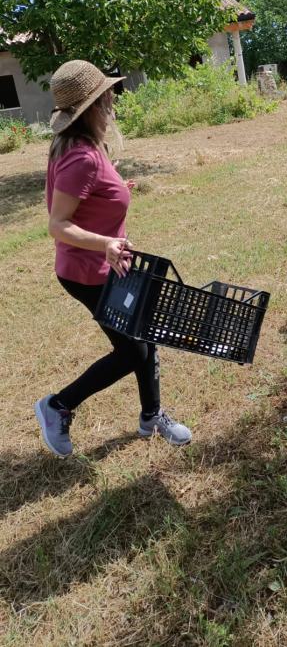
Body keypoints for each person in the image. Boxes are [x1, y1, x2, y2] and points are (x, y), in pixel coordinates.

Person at [35, 60, 192, 457]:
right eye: (108, 95)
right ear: (94, 105)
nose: (112, 99)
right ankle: (58, 405)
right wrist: (106, 243)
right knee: (132, 350)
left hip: (107, 266)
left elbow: (85, 196)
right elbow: (57, 224)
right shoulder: (80, 157)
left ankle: (151, 415)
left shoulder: (85, 148)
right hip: (88, 272)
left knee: (144, 338)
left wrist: (115, 186)